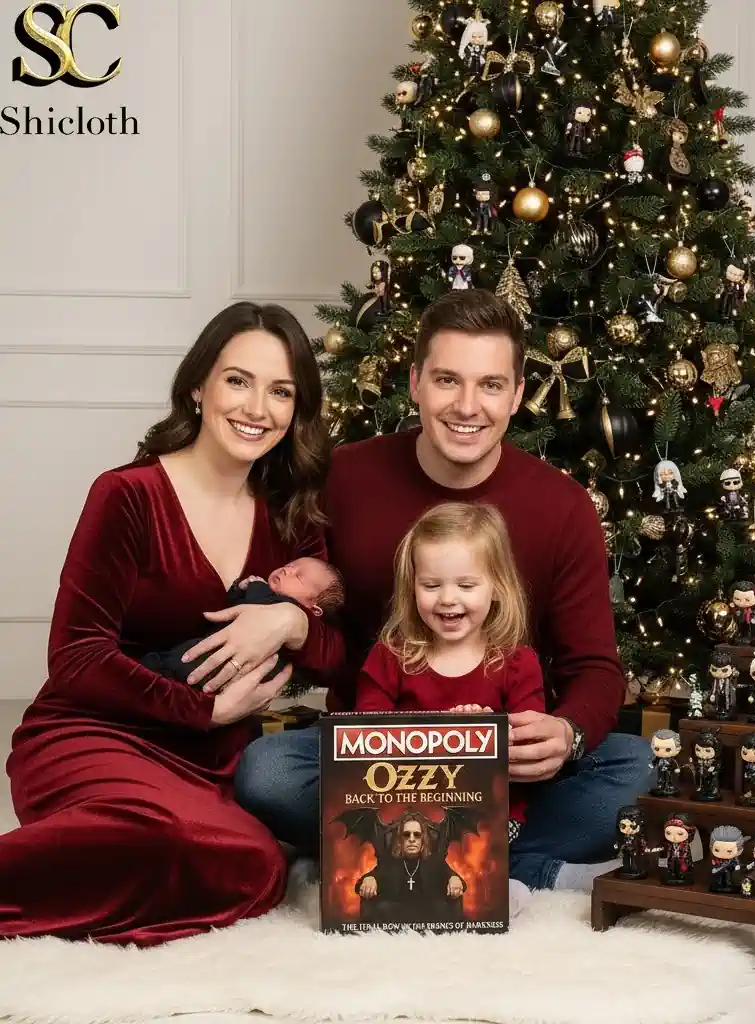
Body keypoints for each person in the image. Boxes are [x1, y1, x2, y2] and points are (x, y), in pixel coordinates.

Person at [231, 288, 650, 893]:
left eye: (490, 385)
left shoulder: (563, 506)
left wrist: (567, 734)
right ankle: (509, 868)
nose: (467, 406)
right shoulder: (346, 478)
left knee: (638, 769)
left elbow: (595, 668)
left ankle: (428, 859)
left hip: (505, 767)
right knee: (266, 773)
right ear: (416, 383)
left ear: (516, 392)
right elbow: (306, 615)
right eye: (448, 380)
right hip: (379, 762)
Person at [0, 302, 346, 945]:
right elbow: (75, 658)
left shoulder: (291, 515)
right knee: (174, 839)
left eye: (281, 392)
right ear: (198, 386)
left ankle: (90, 858)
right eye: (238, 380)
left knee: (255, 869)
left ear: (296, 410)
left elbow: (334, 653)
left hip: (213, 762)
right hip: (93, 733)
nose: (257, 408)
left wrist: (290, 625)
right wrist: (203, 712)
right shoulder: (127, 494)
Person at [353, 501, 547, 911]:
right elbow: (364, 739)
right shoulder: (390, 657)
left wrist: (488, 735)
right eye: (431, 585)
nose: (447, 599)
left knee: (625, 767)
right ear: (412, 588)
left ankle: (510, 873)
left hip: (492, 812)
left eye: (466, 585)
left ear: (497, 587)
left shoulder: (516, 662)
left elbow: (530, 751)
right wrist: (441, 730)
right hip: (403, 805)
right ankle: (532, 871)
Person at [141, 556, 345, 684]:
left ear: (313, 610)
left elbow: (262, 603)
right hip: (213, 655)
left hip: (222, 663)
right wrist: (240, 590)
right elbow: (233, 606)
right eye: (290, 565)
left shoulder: (283, 605)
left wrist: (257, 586)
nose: (287, 570)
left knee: (177, 664)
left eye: (298, 577)